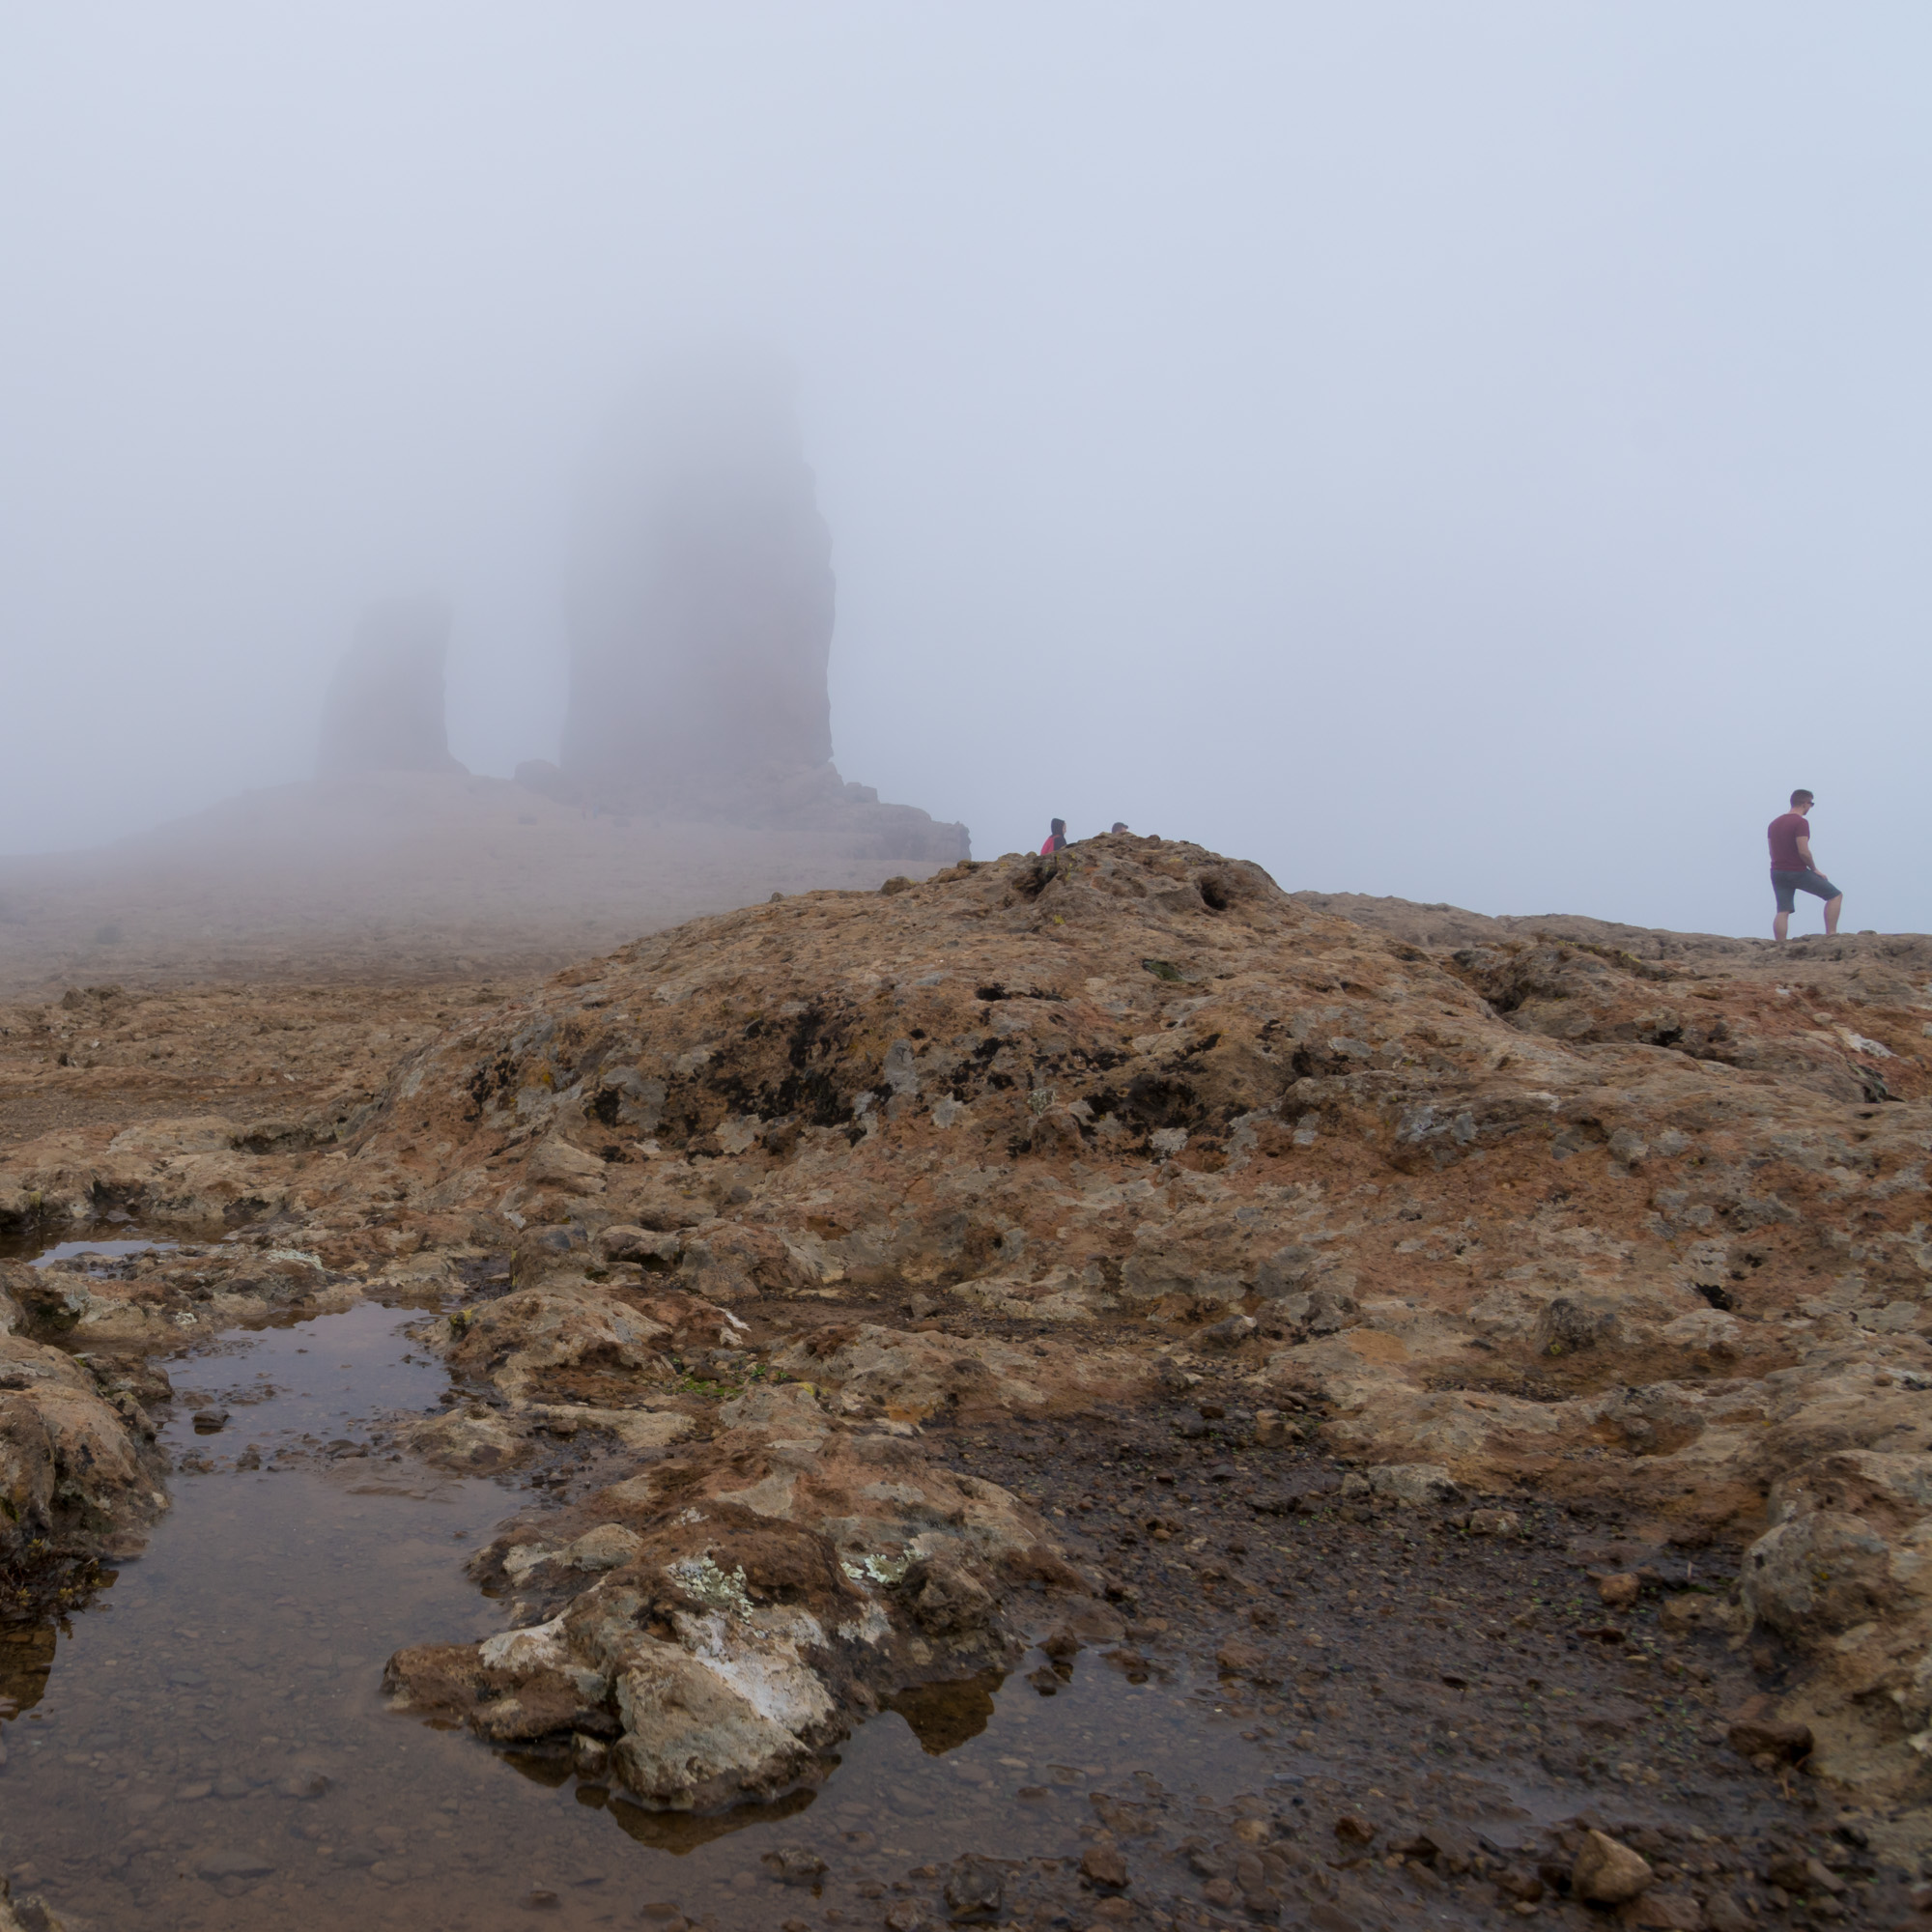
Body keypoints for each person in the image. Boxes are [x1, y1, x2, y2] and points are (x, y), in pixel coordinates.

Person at [1767, 789, 1843, 941]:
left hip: (1777, 871)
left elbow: (1771, 851)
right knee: (1835, 895)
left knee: (1783, 910)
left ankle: (1780, 944)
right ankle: (1831, 935)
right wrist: (1814, 869)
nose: (1810, 807)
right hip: (1796, 871)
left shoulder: (1774, 823)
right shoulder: (1800, 822)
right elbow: (1803, 851)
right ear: (1804, 803)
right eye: (1811, 804)